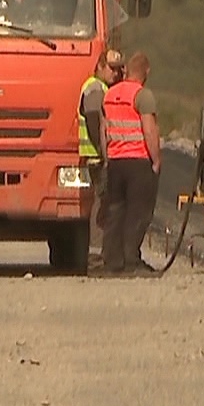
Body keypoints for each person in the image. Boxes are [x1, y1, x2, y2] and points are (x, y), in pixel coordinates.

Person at [100, 52, 162, 274]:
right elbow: (149, 130)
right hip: (138, 161)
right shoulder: (143, 96)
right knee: (138, 211)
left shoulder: (110, 94)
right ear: (146, 71)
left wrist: (108, 157)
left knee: (115, 210)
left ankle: (112, 260)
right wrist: (156, 160)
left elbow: (104, 130)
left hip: (116, 161)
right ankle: (131, 260)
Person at [77, 48, 124, 262]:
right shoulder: (95, 89)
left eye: (118, 70)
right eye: (112, 69)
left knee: (104, 203)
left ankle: (101, 252)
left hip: (96, 156)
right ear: (100, 66)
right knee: (103, 204)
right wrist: (106, 155)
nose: (116, 74)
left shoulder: (101, 87)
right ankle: (97, 253)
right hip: (97, 157)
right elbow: (95, 125)